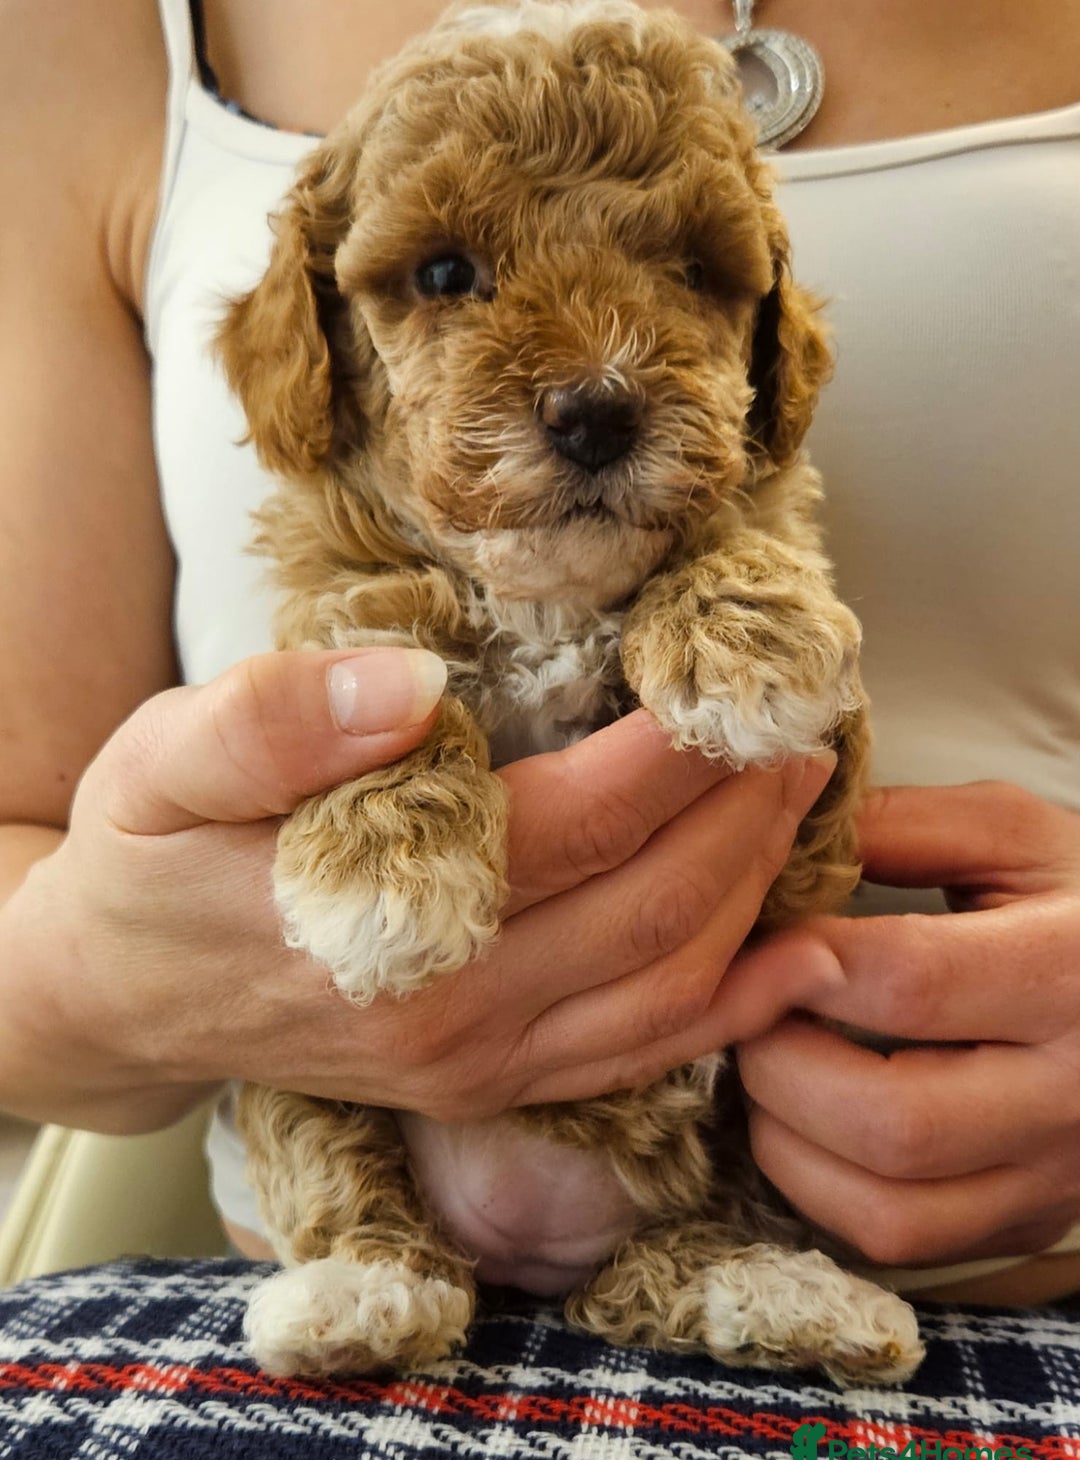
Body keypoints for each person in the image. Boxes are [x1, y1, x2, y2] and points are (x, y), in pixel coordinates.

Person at [0, 0, 1076, 1308]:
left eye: (693, 271)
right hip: (327, 1324)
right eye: (447, 276)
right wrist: (101, 977)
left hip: (1000, 1301)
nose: (594, 387)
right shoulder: (85, 32)